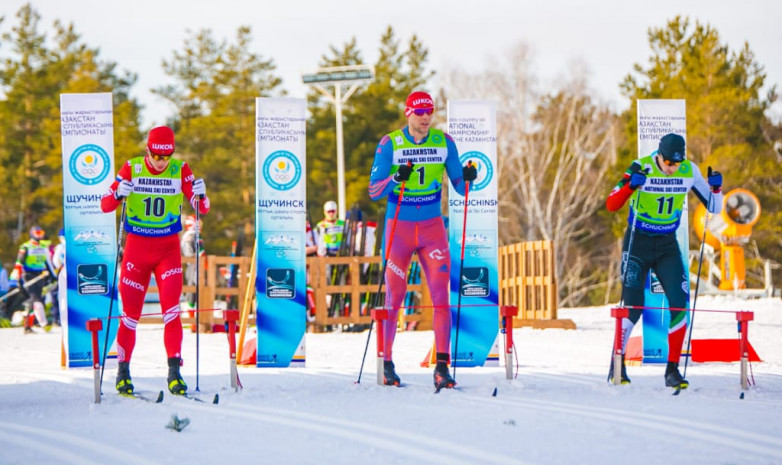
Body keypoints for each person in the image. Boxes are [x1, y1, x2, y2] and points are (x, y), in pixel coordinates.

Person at [368, 90, 477, 390]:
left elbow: (459, 187)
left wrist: (468, 176)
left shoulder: (444, 142)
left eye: (429, 111)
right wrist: (395, 179)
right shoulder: (390, 143)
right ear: (408, 113)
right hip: (398, 226)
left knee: (441, 296)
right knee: (395, 297)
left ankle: (442, 367)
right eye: (419, 112)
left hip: (431, 227)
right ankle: (386, 363)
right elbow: (374, 191)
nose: (426, 117)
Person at [606, 133, 723, 390]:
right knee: (633, 307)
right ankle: (617, 363)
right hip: (639, 242)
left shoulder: (688, 170)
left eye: (675, 164)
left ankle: (672, 370)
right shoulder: (641, 166)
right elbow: (612, 204)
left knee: (680, 305)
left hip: (667, 245)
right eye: (668, 162)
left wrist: (717, 189)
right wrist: (630, 186)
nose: (671, 169)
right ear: (659, 155)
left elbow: (714, 207)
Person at [100, 126, 210, 396]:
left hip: (167, 250)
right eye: (156, 157)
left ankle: (174, 372)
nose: (161, 163)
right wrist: (117, 194)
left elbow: (202, 208)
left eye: (166, 157)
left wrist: (202, 194)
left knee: (172, 312)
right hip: (136, 250)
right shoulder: (132, 168)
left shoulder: (180, 169)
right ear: (147, 151)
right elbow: (105, 205)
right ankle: (123, 373)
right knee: (130, 316)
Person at [9, 226, 55, 333]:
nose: (39, 235)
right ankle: (44, 323)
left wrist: (53, 276)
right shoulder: (26, 246)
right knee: (36, 298)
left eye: (41, 233)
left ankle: (27, 325)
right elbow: (19, 263)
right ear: (31, 233)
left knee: (32, 301)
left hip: (40, 275)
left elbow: (48, 262)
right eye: (37, 233)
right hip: (28, 275)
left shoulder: (44, 246)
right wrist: (17, 276)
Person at [180, 215, 204, 314]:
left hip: (189, 264)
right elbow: (201, 251)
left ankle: (191, 312)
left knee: (191, 287)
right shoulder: (195, 235)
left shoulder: (185, 235)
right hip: (196, 264)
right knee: (197, 288)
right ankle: (194, 314)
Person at [49, 228, 66, 326]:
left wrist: (59, 268)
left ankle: (56, 318)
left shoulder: (60, 246)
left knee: (55, 293)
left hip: (63, 271)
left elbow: (55, 260)